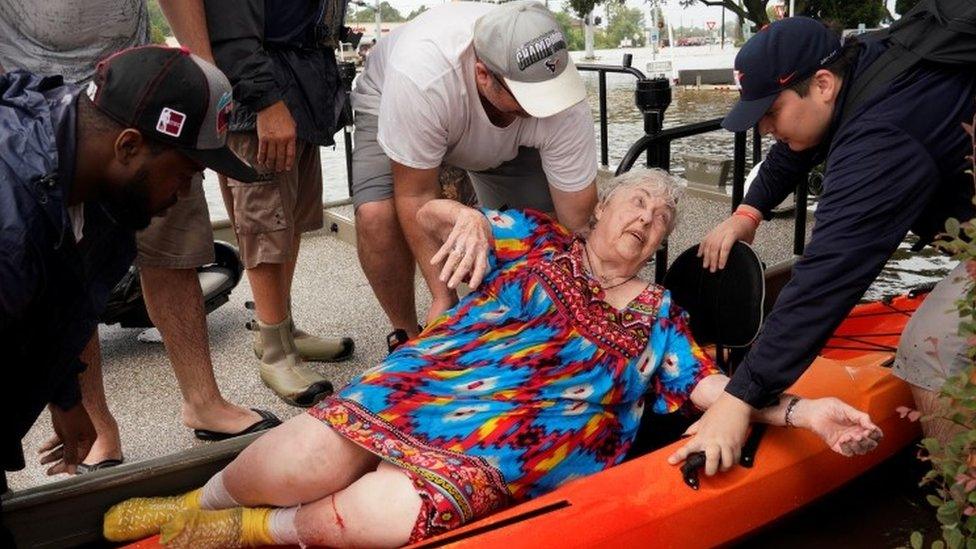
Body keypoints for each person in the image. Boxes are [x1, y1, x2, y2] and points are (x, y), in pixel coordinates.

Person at [103, 169, 882, 548]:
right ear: (601, 207)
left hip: (521, 434)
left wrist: (801, 408)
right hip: (428, 385)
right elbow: (429, 212)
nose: (648, 219)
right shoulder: (534, 236)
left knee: (384, 512)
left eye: (662, 217)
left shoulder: (656, 314)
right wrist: (465, 215)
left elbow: (714, 387)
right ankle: (198, 507)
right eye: (636, 202)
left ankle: (252, 533)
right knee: (298, 450)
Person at [670, 17, 976, 474]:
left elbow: (826, 278)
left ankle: (963, 512)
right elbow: (795, 143)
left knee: (930, 349)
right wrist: (747, 213)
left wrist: (739, 398)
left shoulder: (881, 137)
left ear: (824, 84)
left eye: (770, 113)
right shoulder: (863, 63)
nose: (766, 130)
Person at [0, 0, 281, 474]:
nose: (188, 190)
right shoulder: (13, 228)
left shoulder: (96, 177)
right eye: (186, 172)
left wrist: (66, 398)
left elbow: (67, 300)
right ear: (129, 145)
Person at [351, 0, 599, 351]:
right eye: (530, 98)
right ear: (484, 74)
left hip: (489, 120)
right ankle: (406, 335)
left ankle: (519, 320)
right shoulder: (420, 74)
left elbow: (577, 221)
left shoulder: (560, 95)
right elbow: (415, 196)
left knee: (543, 231)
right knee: (377, 215)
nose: (543, 109)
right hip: (401, 95)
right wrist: (443, 294)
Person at [204, 0, 355, 407]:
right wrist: (265, 103)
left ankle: (282, 329)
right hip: (263, 99)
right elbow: (230, 29)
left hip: (301, 88)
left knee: (290, 222)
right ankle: (274, 351)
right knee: (264, 223)